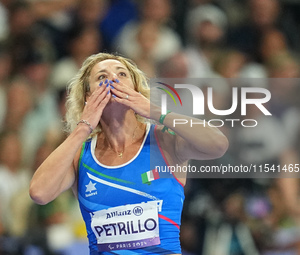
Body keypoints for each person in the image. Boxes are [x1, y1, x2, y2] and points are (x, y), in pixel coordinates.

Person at [29, 52, 228, 254]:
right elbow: (39, 192)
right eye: (101, 77)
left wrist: (155, 112)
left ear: (135, 88)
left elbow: (218, 145)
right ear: (89, 96)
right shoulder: (80, 154)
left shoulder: (164, 140)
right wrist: (82, 128)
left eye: (122, 74)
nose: (113, 80)